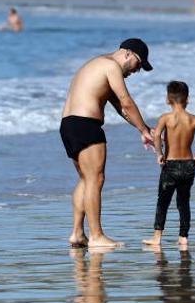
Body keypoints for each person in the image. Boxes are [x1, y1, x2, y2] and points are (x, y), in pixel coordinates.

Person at [60, 38, 154, 248]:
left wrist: (144, 129)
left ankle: (77, 233)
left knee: (86, 179)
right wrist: (144, 130)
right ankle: (96, 236)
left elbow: (121, 107)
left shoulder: (96, 64)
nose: (136, 71)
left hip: (68, 125)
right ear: (127, 53)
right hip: (86, 125)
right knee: (96, 178)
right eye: (138, 64)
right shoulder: (112, 66)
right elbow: (127, 101)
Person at [143, 81, 195, 249]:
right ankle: (183, 237)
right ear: (187, 99)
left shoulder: (166, 118)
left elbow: (157, 135)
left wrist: (160, 154)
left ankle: (157, 237)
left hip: (171, 166)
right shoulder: (193, 119)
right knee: (183, 202)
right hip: (189, 166)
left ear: (168, 99)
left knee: (163, 202)